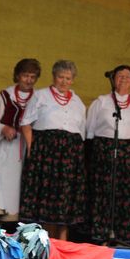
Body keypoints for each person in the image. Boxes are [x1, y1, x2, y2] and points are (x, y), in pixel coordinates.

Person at [19, 60, 86, 241]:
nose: (64, 81)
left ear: (73, 80)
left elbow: (81, 131)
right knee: (46, 196)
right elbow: (26, 123)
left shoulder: (78, 102)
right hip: (46, 153)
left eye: (68, 78)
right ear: (54, 77)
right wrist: (32, 148)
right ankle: (43, 241)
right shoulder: (41, 96)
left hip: (70, 155)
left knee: (65, 196)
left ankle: (62, 241)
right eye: (60, 77)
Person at [86, 65, 130, 245]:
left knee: (127, 196)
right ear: (113, 79)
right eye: (119, 76)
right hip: (105, 154)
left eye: (127, 76)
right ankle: (102, 235)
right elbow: (90, 131)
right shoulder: (100, 102)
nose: (123, 79)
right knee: (105, 194)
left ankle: (126, 237)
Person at [0, 58, 41, 225]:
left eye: (32, 76)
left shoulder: (39, 98)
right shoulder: (6, 95)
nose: (29, 80)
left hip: (25, 149)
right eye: (25, 75)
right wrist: (3, 128)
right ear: (17, 76)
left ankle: (17, 225)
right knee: (1, 183)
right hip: (4, 149)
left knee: (19, 186)